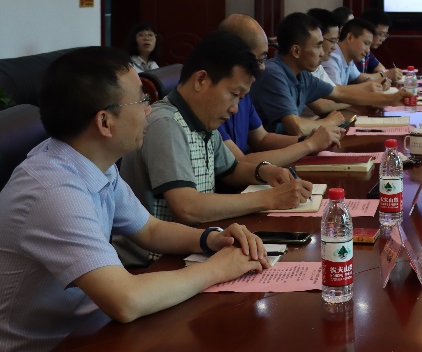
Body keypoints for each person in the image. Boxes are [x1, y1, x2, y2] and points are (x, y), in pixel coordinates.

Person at [0, 47, 269, 350]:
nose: (148, 110)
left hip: (93, 329)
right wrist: (219, 268)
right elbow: (126, 300)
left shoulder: (94, 163)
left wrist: (211, 240)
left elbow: (150, 230)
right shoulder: (54, 192)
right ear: (105, 122)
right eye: (142, 100)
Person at [115, 31, 314, 267]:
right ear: (201, 80)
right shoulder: (166, 124)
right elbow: (187, 208)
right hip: (155, 263)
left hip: (194, 248)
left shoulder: (202, 122)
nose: (235, 108)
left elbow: (231, 170)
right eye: (234, 94)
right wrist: (270, 198)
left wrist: (264, 171)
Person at [250, 13, 407, 136]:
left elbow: (339, 92)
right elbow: (297, 127)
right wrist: (328, 122)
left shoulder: (303, 75)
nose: (322, 53)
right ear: (296, 51)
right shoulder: (274, 74)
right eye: (318, 46)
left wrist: (392, 99)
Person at [217, 14, 343, 165]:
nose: (262, 67)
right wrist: (308, 145)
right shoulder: (214, 97)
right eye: (260, 60)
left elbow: (262, 138)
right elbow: (239, 163)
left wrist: (307, 140)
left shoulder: (244, 94)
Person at [359, 8, 403, 82]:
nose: (382, 39)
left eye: (385, 35)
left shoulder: (367, 51)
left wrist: (382, 75)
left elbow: (379, 67)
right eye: (380, 34)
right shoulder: (356, 50)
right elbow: (356, 77)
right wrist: (385, 75)